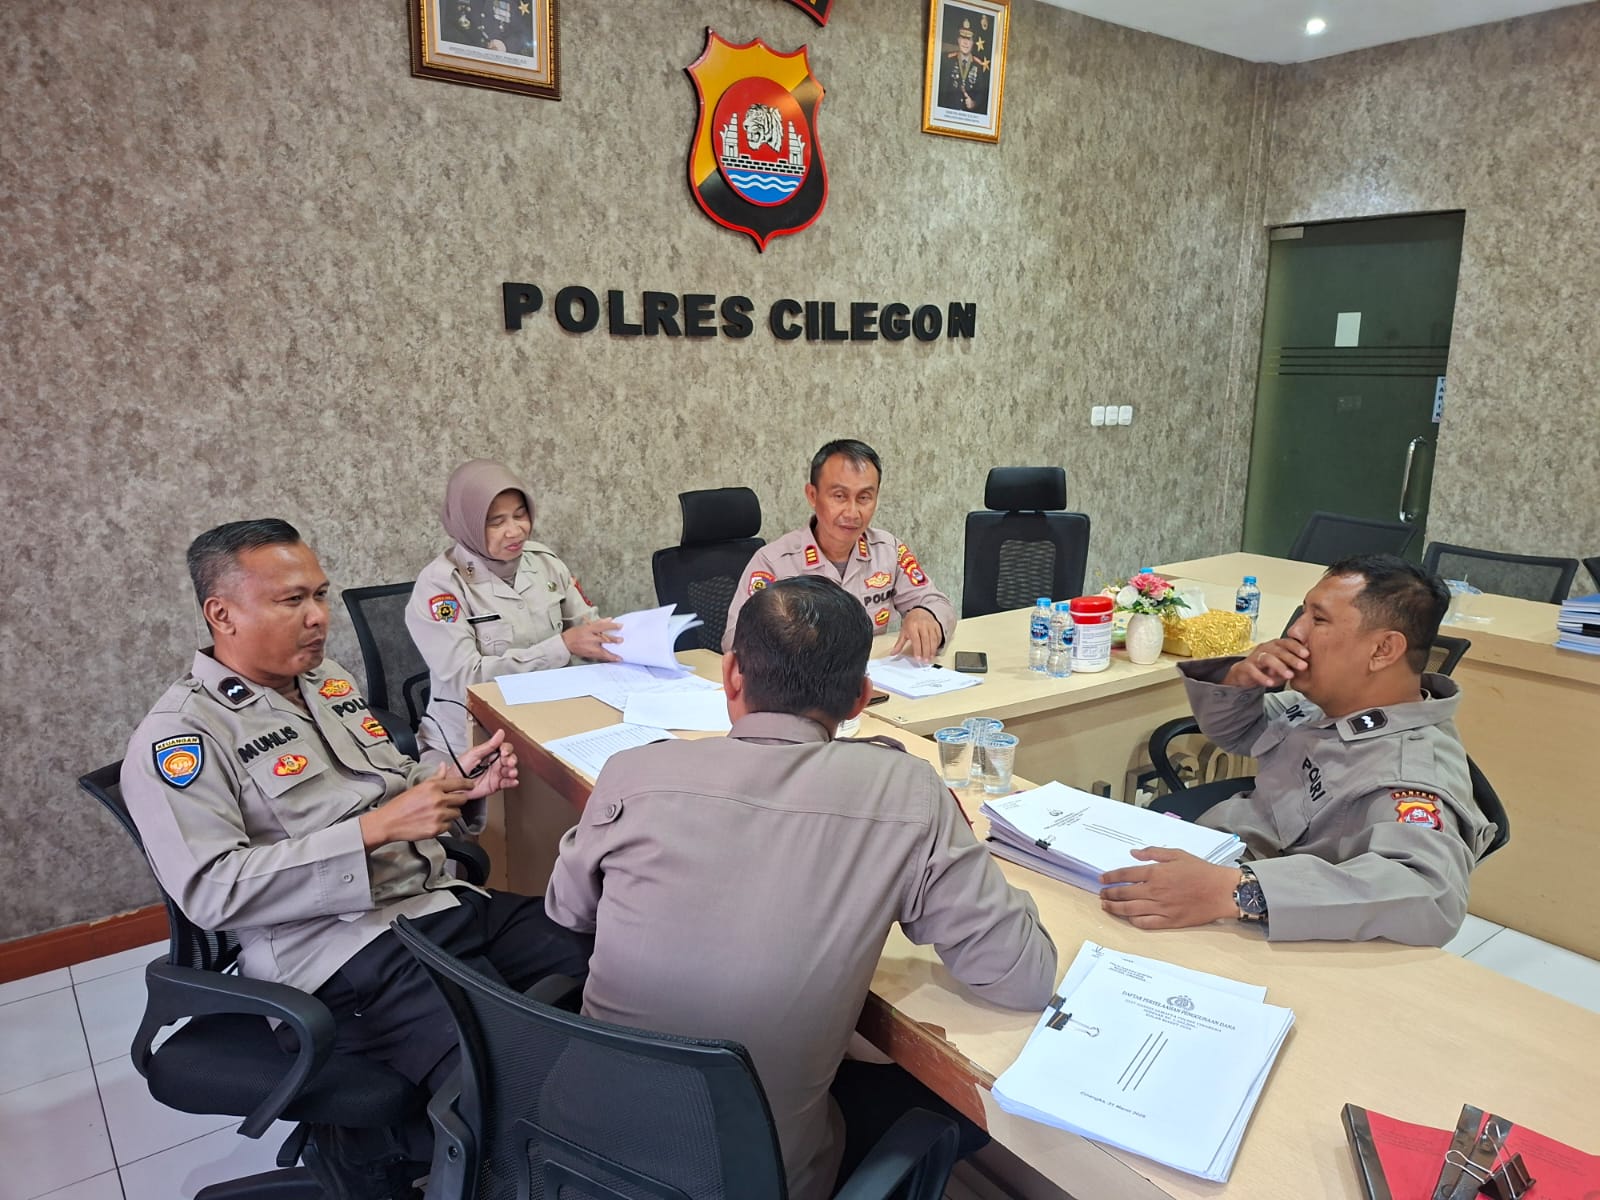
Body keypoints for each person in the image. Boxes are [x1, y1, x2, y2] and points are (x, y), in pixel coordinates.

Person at [122, 519, 592, 1196]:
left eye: (320, 594)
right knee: (514, 1090)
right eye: (292, 600)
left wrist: (453, 786)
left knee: (608, 957)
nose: (318, 616)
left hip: (437, 899)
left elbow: (390, 787)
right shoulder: (181, 737)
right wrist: (373, 831)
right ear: (221, 615)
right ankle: (387, 1153)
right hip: (345, 950)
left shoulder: (326, 682)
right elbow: (211, 890)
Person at [547, 576, 1056, 1200]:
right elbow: (1023, 977)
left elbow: (566, 908)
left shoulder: (632, 772)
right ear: (861, 698)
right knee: (929, 1100)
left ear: (731, 676)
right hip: (750, 1182)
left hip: (563, 1158)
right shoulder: (904, 791)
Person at [1099, 554, 1496, 946]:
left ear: (1383, 650)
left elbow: (1431, 895)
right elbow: (1238, 734)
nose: (1295, 631)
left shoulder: (1409, 773)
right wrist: (1239, 683)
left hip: (1265, 921)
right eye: (1302, 612)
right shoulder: (1326, 706)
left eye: (1318, 620)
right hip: (1219, 852)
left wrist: (1238, 892)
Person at [409, 459, 620, 767]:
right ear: (468, 523)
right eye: (496, 522)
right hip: (470, 746)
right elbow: (466, 678)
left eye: (520, 515)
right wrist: (562, 646)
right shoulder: (441, 585)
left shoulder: (545, 561)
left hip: (552, 726)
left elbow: (588, 627)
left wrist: (627, 641)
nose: (515, 531)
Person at [722, 439, 957, 662]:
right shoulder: (773, 562)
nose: (852, 512)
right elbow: (736, 640)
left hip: (873, 680)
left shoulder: (888, 551)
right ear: (812, 495)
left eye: (864, 497)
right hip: (802, 684)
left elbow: (937, 602)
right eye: (839, 496)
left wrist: (927, 614)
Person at [937, 14, 990, 113]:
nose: (965, 43)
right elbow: (941, 90)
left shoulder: (978, 65)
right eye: (963, 38)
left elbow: (981, 93)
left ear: (973, 42)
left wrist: (974, 103)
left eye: (969, 39)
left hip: (968, 116)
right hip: (948, 113)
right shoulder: (947, 61)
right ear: (958, 40)